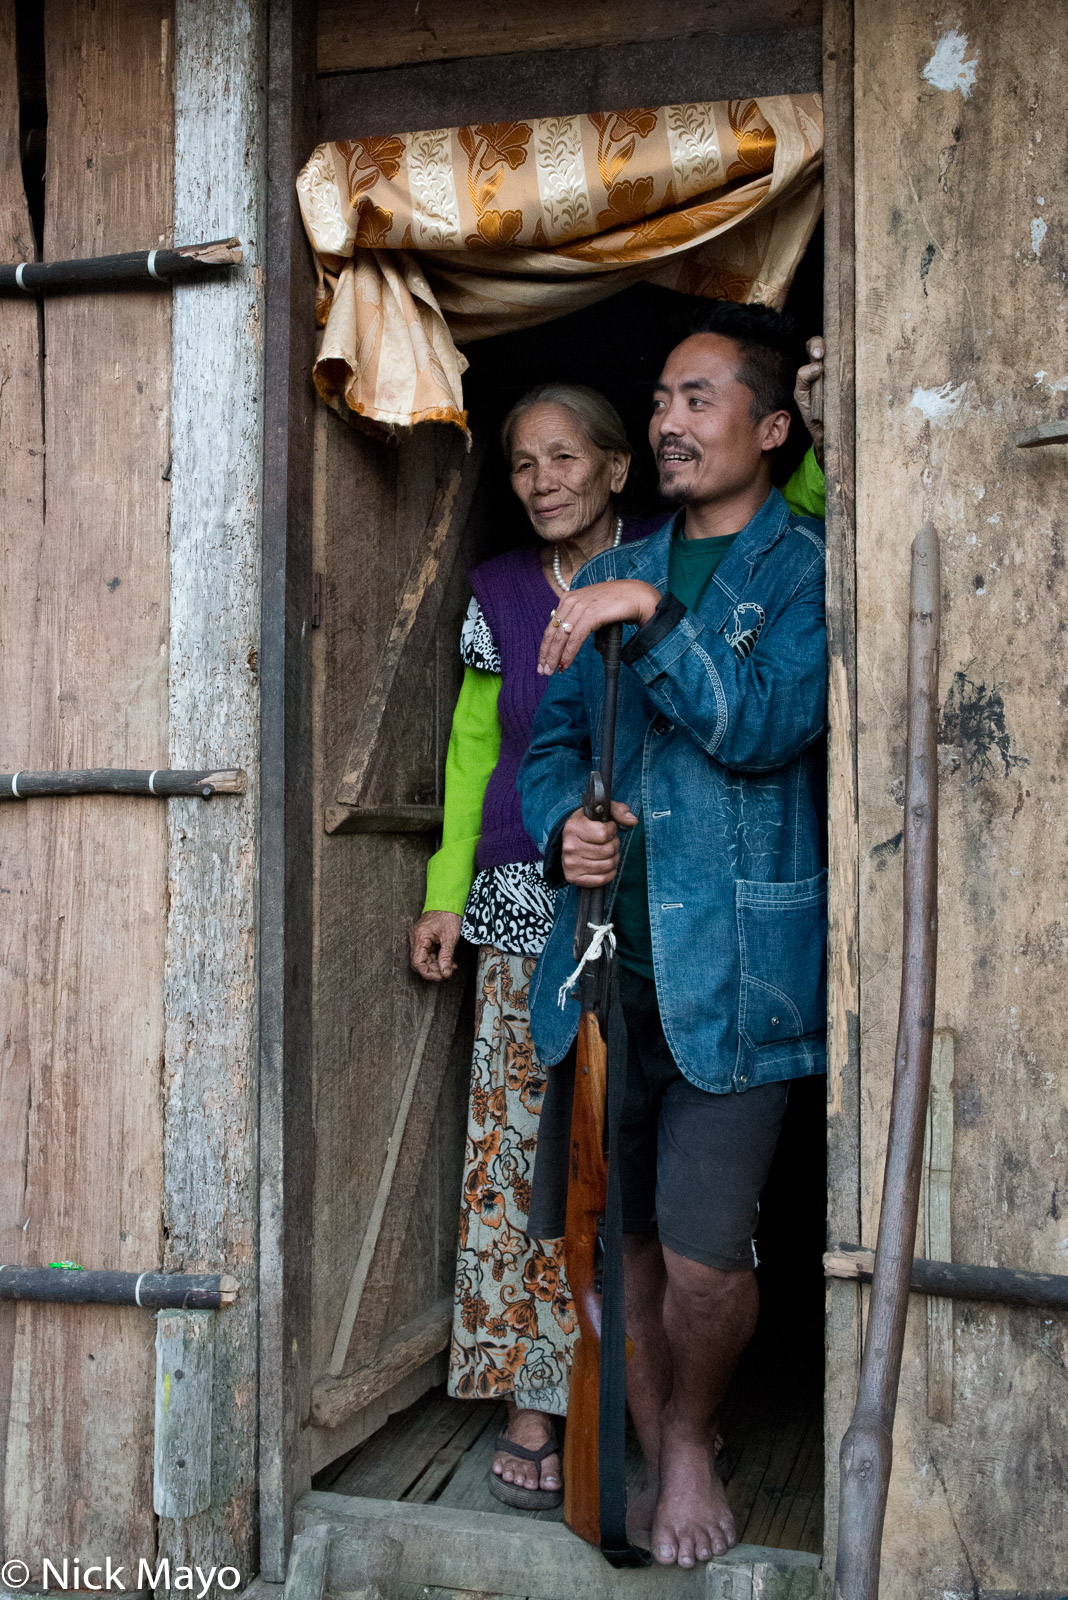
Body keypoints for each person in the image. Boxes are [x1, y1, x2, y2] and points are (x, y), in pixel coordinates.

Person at [517, 303, 828, 1565]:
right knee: (619, 1239)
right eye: (661, 400)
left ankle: (694, 1430)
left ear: (771, 424)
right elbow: (547, 753)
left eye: (699, 399)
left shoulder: (802, 568)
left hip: (738, 976)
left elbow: (765, 727)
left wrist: (656, 613)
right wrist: (564, 833)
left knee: (704, 1261)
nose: (669, 421)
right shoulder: (604, 571)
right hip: (602, 966)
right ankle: (657, 1451)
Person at [408, 384, 636, 1509]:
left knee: (629, 1143)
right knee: (514, 1156)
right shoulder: (498, 593)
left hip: (648, 897)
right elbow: (470, 751)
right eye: (523, 465)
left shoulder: (672, 567)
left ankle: (642, 1397)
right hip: (515, 893)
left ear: (617, 469)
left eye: (565, 459)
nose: (544, 481)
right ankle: (531, 1397)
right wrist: (447, 892)